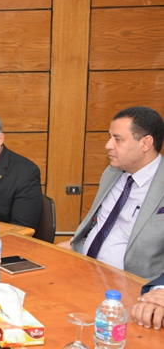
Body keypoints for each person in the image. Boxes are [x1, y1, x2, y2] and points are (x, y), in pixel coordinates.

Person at [68, 106, 164, 279]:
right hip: (85, 268)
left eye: (117, 139)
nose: (108, 146)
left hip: (136, 285)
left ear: (146, 143)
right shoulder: (111, 173)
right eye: (109, 137)